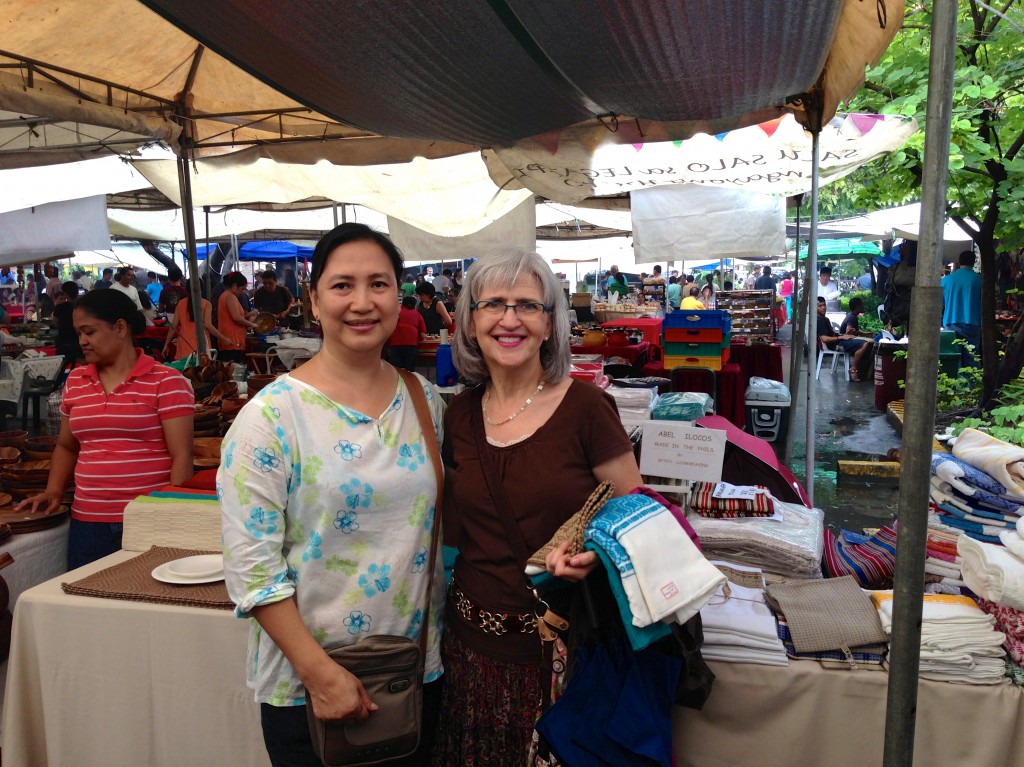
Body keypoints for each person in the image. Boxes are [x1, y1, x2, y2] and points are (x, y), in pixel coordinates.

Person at [219, 222, 445, 767]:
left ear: (399, 296)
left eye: (379, 284)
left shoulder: (425, 400)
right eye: (342, 285)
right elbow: (252, 570)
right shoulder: (271, 418)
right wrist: (323, 678)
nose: (362, 302)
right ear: (313, 300)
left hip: (414, 673)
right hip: (312, 689)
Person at [433, 246, 644, 766]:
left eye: (528, 305)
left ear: (550, 325)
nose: (510, 319)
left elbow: (633, 510)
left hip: (560, 655)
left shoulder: (587, 408)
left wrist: (596, 553)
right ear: (470, 322)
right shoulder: (457, 414)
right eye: (494, 305)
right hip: (468, 651)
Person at [17, 289, 194, 568]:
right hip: (89, 521)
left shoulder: (167, 381)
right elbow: (66, 445)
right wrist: (53, 491)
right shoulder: (76, 381)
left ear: (121, 328)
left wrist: (167, 511)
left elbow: (182, 456)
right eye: (78, 333)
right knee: (88, 604)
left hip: (148, 518)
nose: (82, 341)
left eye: (89, 331)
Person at [163, 289, 230, 361]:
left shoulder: (181, 303)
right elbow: (208, 325)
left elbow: (173, 326)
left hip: (184, 344)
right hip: (202, 343)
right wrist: (223, 338)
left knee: (185, 369)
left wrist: (166, 345)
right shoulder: (206, 304)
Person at [941, 250, 982, 366]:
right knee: (972, 359)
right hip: (972, 322)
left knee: (954, 360)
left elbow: (941, 303)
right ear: (974, 262)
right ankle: (972, 383)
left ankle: (955, 384)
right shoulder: (979, 280)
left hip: (950, 322)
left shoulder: (946, 280)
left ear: (959, 262)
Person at [816, 296, 869, 381]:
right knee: (865, 344)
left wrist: (845, 335)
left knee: (864, 343)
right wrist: (842, 337)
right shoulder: (819, 320)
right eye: (820, 306)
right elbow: (824, 339)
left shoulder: (825, 319)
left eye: (824, 305)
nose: (823, 307)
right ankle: (853, 369)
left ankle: (860, 369)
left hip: (837, 342)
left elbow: (832, 334)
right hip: (834, 345)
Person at [218, 272, 260, 363]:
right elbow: (236, 318)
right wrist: (252, 324)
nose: (242, 292)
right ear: (235, 286)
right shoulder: (230, 296)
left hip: (229, 337)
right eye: (242, 289)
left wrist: (249, 315)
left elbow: (236, 316)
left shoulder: (225, 295)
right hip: (232, 338)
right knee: (234, 367)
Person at [389, 295, 428, 372]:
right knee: (409, 372)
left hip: (395, 346)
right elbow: (422, 335)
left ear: (402, 304)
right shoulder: (417, 314)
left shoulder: (395, 313)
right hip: (411, 346)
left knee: (396, 372)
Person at [51, 281, 83, 362]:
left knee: (64, 364)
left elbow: (55, 323)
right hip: (79, 341)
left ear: (65, 293)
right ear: (77, 292)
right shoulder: (83, 307)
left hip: (64, 342)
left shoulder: (60, 307)